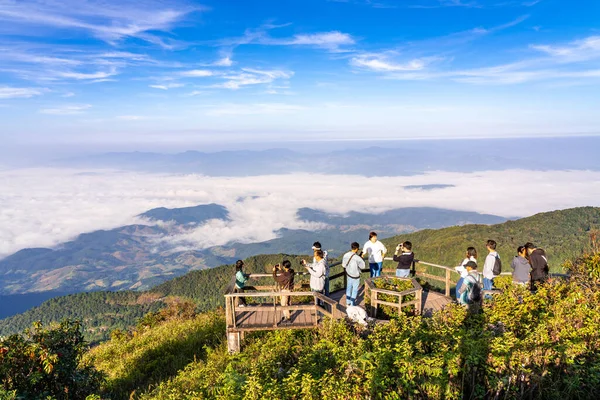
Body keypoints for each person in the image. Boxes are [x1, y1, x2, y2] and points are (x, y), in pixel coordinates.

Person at [342, 242, 366, 306]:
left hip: (349, 274)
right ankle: (352, 303)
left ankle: (348, 302)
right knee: (355, 290)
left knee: (349, 288)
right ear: (357, 249)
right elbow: (363, 266)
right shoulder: (358, 258)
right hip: (356, 276)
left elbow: (344, 265)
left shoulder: (345, 255)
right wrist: (362, 258)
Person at [273, 260, 295, 325]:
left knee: (284, 304)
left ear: (284, 267)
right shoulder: (291, 271)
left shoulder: (285, 275)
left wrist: (274, 271)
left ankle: (288, 318)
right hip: (289, 289)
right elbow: (285, 274)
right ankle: (286, 316)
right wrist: (280, 270)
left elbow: (276, 279)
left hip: (285, 291)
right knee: (286, 303)